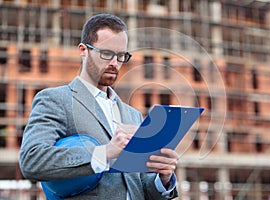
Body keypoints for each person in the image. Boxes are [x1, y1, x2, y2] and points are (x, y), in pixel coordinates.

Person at [19, 13, 179, 199]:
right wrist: (104, 153)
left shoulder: (132, 115)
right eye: (106, 53)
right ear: (83, 50)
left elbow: (138, 186)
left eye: (121, 56)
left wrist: (163, 178)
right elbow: (32, 160)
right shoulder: (55, 100)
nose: (114, 63)